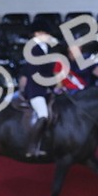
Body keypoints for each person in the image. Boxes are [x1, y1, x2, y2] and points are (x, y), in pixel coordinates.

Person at [18, 27, 58, 157]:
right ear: (37, 33)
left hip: (46, 88)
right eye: (45, 32)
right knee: (43, 115)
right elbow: (34, 73)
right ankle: (32, 147)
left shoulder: (46, 49)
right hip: (36, 90)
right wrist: (50, 84)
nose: (47, 35)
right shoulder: (33, 50)